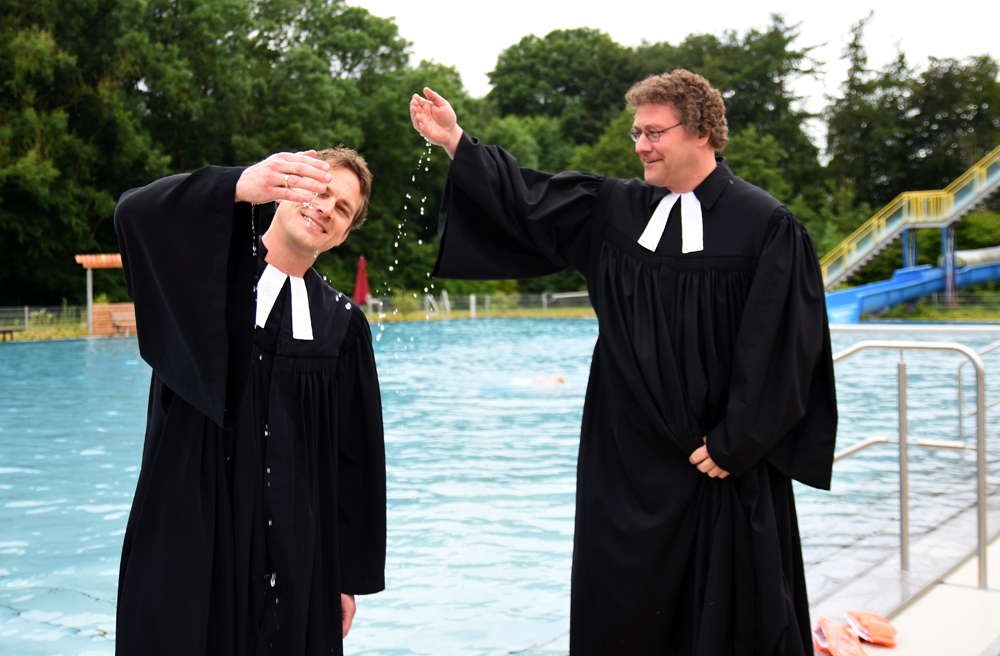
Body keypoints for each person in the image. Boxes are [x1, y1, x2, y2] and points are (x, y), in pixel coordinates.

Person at [410, 70, 837, 655]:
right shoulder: (613, 207)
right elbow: (527, 199)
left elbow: (786, 347)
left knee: (728, 618)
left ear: (704, 132)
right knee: (622, 611)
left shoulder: (766, 225)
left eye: (654, 132)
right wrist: (458, 143)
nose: (641, 145)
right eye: (637, 132)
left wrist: (738, 441)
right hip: (624, 460)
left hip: (715, 465)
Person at [113, 148, 386, 656]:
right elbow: (134, 213)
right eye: (319, 191)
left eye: (343, 209)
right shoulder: (205, 279)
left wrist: (347, 576)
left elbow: (357, 460)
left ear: (345, 233)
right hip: (189, 538)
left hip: (297, 558)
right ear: (284, 189)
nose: (326, 208)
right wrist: (237, 184)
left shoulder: (343, 327)